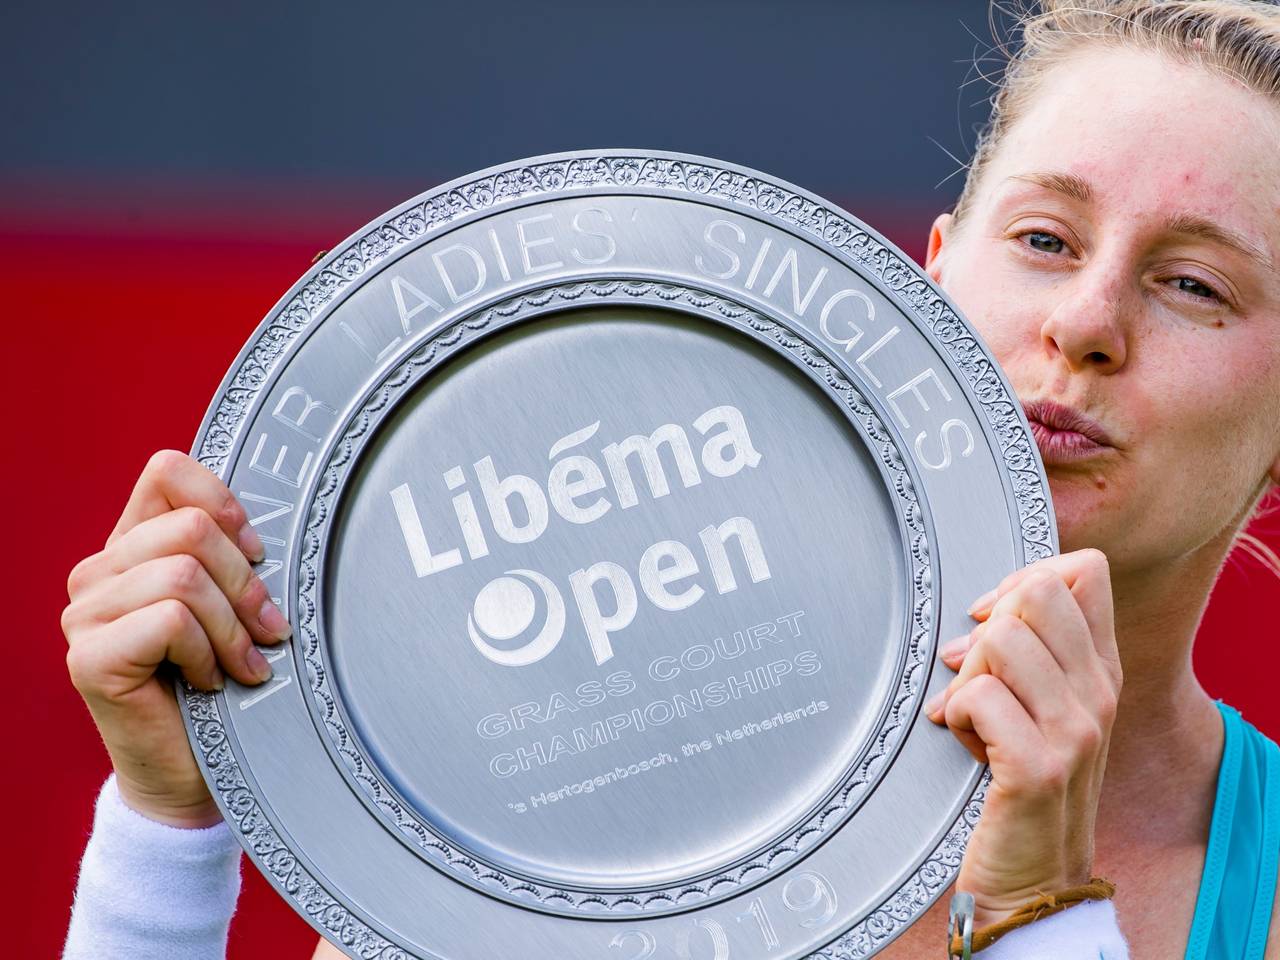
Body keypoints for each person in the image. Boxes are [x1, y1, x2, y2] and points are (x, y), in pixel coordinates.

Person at [58, 0, 1280, 957]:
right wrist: (166, 833)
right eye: (1042, 239)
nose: (1084, 323)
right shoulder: (587, 782)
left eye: (1192, 285)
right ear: (926, 281)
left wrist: (1034, 918)